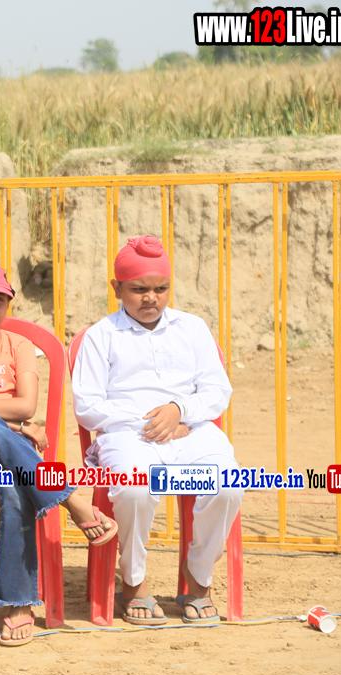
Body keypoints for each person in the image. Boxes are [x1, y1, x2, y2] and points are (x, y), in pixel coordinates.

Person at [0, 264, 117, 646]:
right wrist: (10, 422)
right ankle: (70, 500)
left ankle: (18, 605)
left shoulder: (18, 346)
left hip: (11, 454)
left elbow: (27, 405)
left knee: (15, 484)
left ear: (9, 303)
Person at [72, 235, 243, 625]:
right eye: (139, 289)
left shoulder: (193, 328)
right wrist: (154, 421)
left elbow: (217, 390)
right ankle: (134, 582)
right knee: (133, 489)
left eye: (160, 288)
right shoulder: (100, 335)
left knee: (228, 484)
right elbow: (88, 406)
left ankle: (198, 579)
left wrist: (180, 412)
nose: (151, 297)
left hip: (193, 431)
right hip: (127, 436)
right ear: (117, 288)